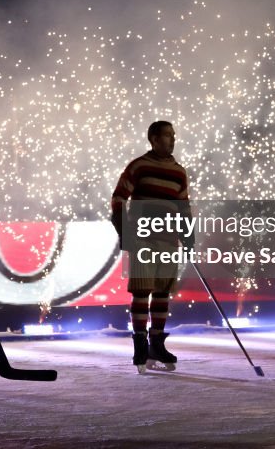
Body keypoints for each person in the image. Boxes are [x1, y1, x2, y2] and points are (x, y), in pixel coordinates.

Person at [111, 120, 190, 373]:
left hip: (168, 240)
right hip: (143, 239)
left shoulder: (179, 171)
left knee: (162, 293)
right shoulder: (139, 166)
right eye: (167, 135)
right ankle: (140, 347)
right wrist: (126, 233)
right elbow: (119, 199)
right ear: (153, 138)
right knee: (142, 291)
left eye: (173, 135)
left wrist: (188, 236)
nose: (172, 139)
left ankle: (156, 343)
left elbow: (183, 208)